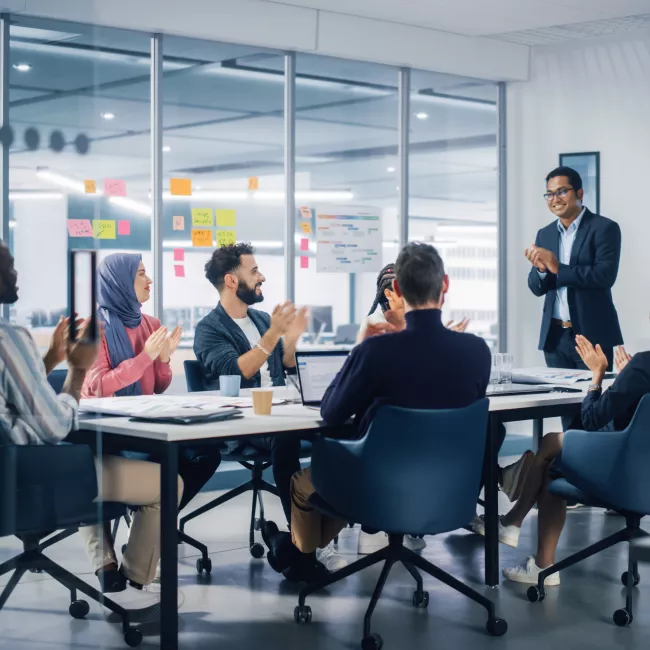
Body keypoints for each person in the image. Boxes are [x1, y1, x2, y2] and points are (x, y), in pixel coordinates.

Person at [262, 242, 492, 582]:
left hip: (378, 487)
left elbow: (332, 412)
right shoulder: (477, 351)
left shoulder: (377, 350)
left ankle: (300, 560)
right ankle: (291, 553)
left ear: (396, 289)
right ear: (444, 284)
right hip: (449, 486)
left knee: (302, 482)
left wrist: (361, 347)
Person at [0, 241, 181, 610]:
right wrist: (78, 369)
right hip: (32, 476)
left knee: (93, 455)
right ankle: (133, 582)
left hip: (14, 472)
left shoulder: (151, 323)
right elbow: (54, 427)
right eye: (7, 264)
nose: (16, 272)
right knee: (166, 481)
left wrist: (51, 359)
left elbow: (15, 400)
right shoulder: (9, 338)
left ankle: (110, 565)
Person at [193, 243, 347, 571]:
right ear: (231, 280)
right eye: (253, 271)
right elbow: (238, 369)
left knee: (335, 429)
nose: (261, 277)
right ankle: (303, 548)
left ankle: (318, 534)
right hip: (241, 426)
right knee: (286, 439)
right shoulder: (209, 329)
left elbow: (287, 367)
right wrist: (274, 334)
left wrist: (290, 340)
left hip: (281, 413)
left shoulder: (262, 318)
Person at [80, 253, 221, 591]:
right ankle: (109, 559)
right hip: (103, 429)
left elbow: (157, 385)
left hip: (141, 425)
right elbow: (99, 386)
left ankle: (145, 530)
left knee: (204, 455)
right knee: (101, 466)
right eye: (141, 274)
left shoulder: (151, 324)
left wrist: (164, 359)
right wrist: (145, 357)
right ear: (119, 283)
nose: (149, 280)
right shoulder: (92, 327)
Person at [477, 336, 650, 587]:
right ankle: (515, 527)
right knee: (552, 445)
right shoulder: (640, 368)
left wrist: (597, 375)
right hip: (642, 470)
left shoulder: (644, 364)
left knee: (555, 461)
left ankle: (534, 554)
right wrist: (627, 381)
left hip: (621, 473)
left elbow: (592, 419)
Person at [355, 262, 472, 555]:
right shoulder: (373, 328)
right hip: (387, 434)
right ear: (390, 294)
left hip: (416, 434)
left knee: (488, 434)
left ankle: (416, 518)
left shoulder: (417, 326)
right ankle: (376, 525)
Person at [527, 166, 623, 374]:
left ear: (579, 193)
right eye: (550, 194)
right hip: (555, 337)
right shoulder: (545, 234)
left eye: (562, 191)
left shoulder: (604, 228)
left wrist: (557, 268)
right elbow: (536, 287)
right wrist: (542, 271)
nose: (555, 199)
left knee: (594, 400)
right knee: (556, 404)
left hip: (592, 337)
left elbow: (604, 276)